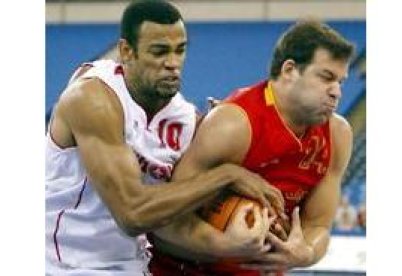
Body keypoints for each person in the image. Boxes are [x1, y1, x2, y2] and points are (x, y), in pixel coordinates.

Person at [45, 1, 285, 275]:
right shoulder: (92, 99)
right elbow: (132, 213)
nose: (172, 63)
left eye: (180, 50)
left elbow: (177, 216)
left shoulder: (186, 119)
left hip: (134, 265)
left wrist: (261, 237)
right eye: (159, 52)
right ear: (127, 51)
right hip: (63, 263)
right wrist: (226, 175)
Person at [149, 20, 355, 275]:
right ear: (289, 70)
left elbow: (318, 225)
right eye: (326, 77)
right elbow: (162, 223)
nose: (336, 92)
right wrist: (223, 245)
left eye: (341, 82)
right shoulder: (233, 125)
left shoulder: (338, 135)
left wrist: (305, 252)